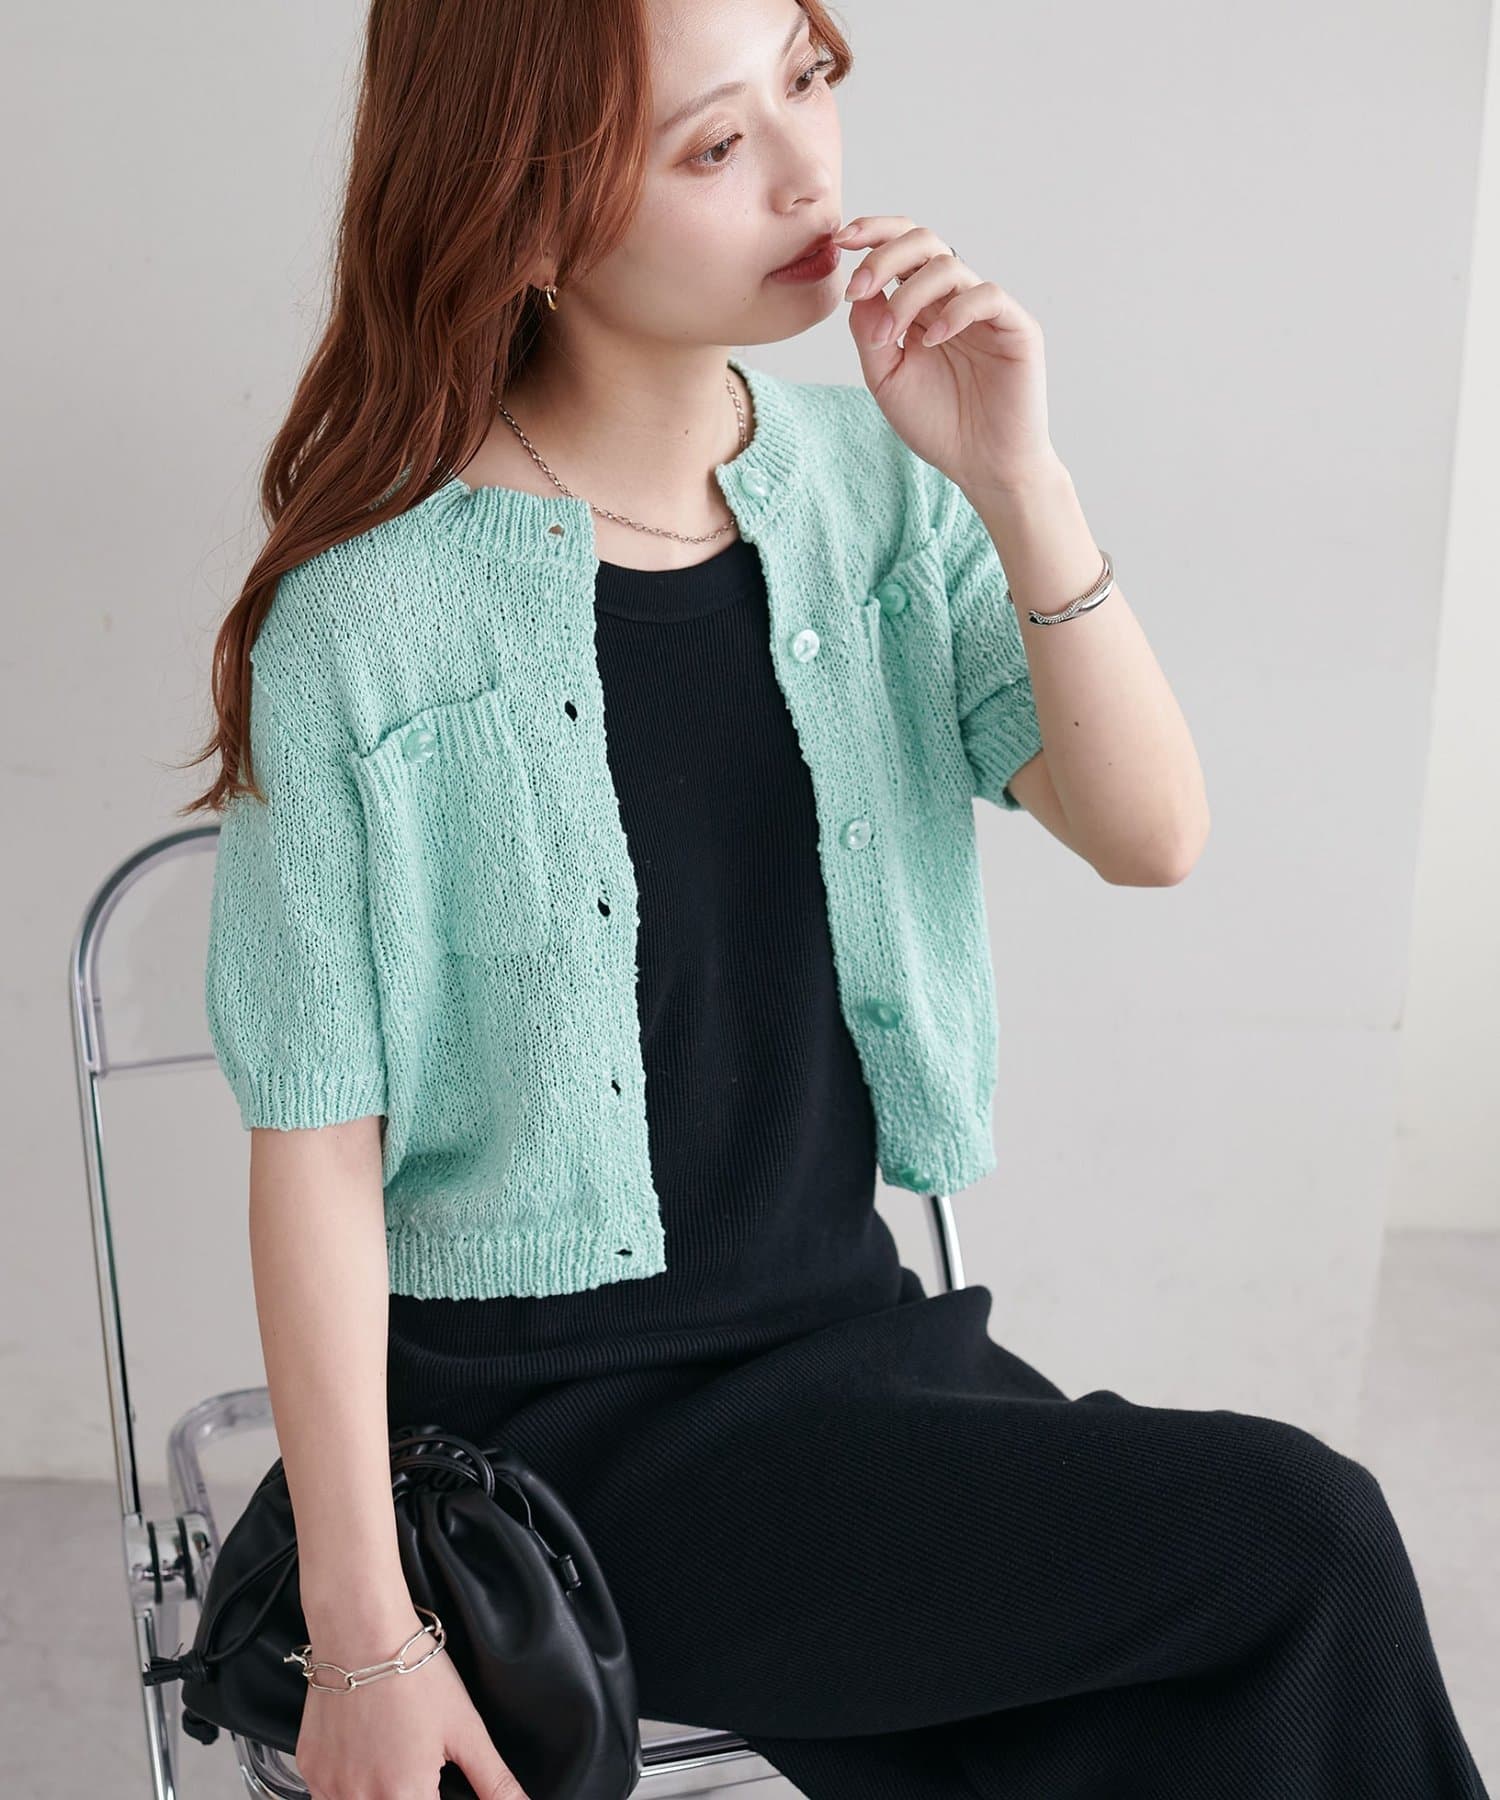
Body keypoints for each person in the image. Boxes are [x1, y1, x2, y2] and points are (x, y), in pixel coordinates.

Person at [181, 0, 1491, 1795]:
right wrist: (366, 1634)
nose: (810, 172)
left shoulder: (877, 493)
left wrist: (1018, 479)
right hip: (558, 1442)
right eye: (717, 145)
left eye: (808, 82)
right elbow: (315, 1154)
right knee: (1298, 1536)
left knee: (1199, 1707)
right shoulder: (364, 625)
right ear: (532, 216)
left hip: (861, 1361)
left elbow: (1152, 834)